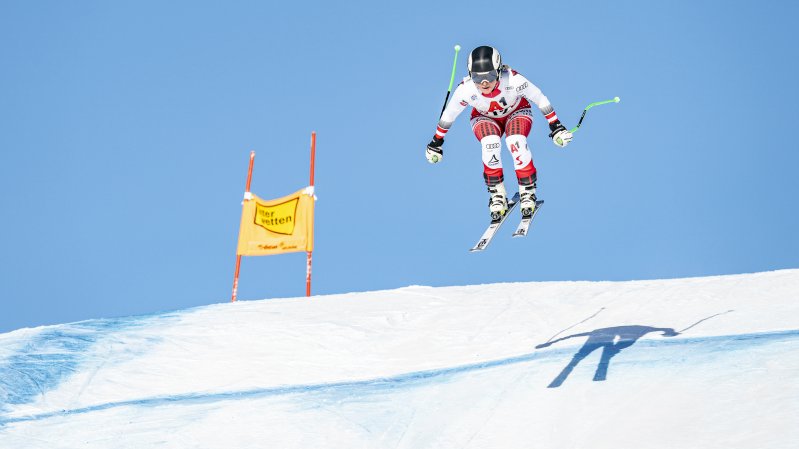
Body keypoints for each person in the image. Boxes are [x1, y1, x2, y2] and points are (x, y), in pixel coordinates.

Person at [426, 45, 573, 220]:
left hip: (516, 112)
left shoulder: (513, 80)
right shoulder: (466, 89)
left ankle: (527, 191)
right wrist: (436, 142)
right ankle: (497, 194)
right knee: (490, 143)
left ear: (498, 71)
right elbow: (449, 114)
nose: (484, 83)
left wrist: (555, 125)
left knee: (515, 141)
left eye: (488, 76)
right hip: (484, 117)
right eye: (477, 78)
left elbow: (539, 98)